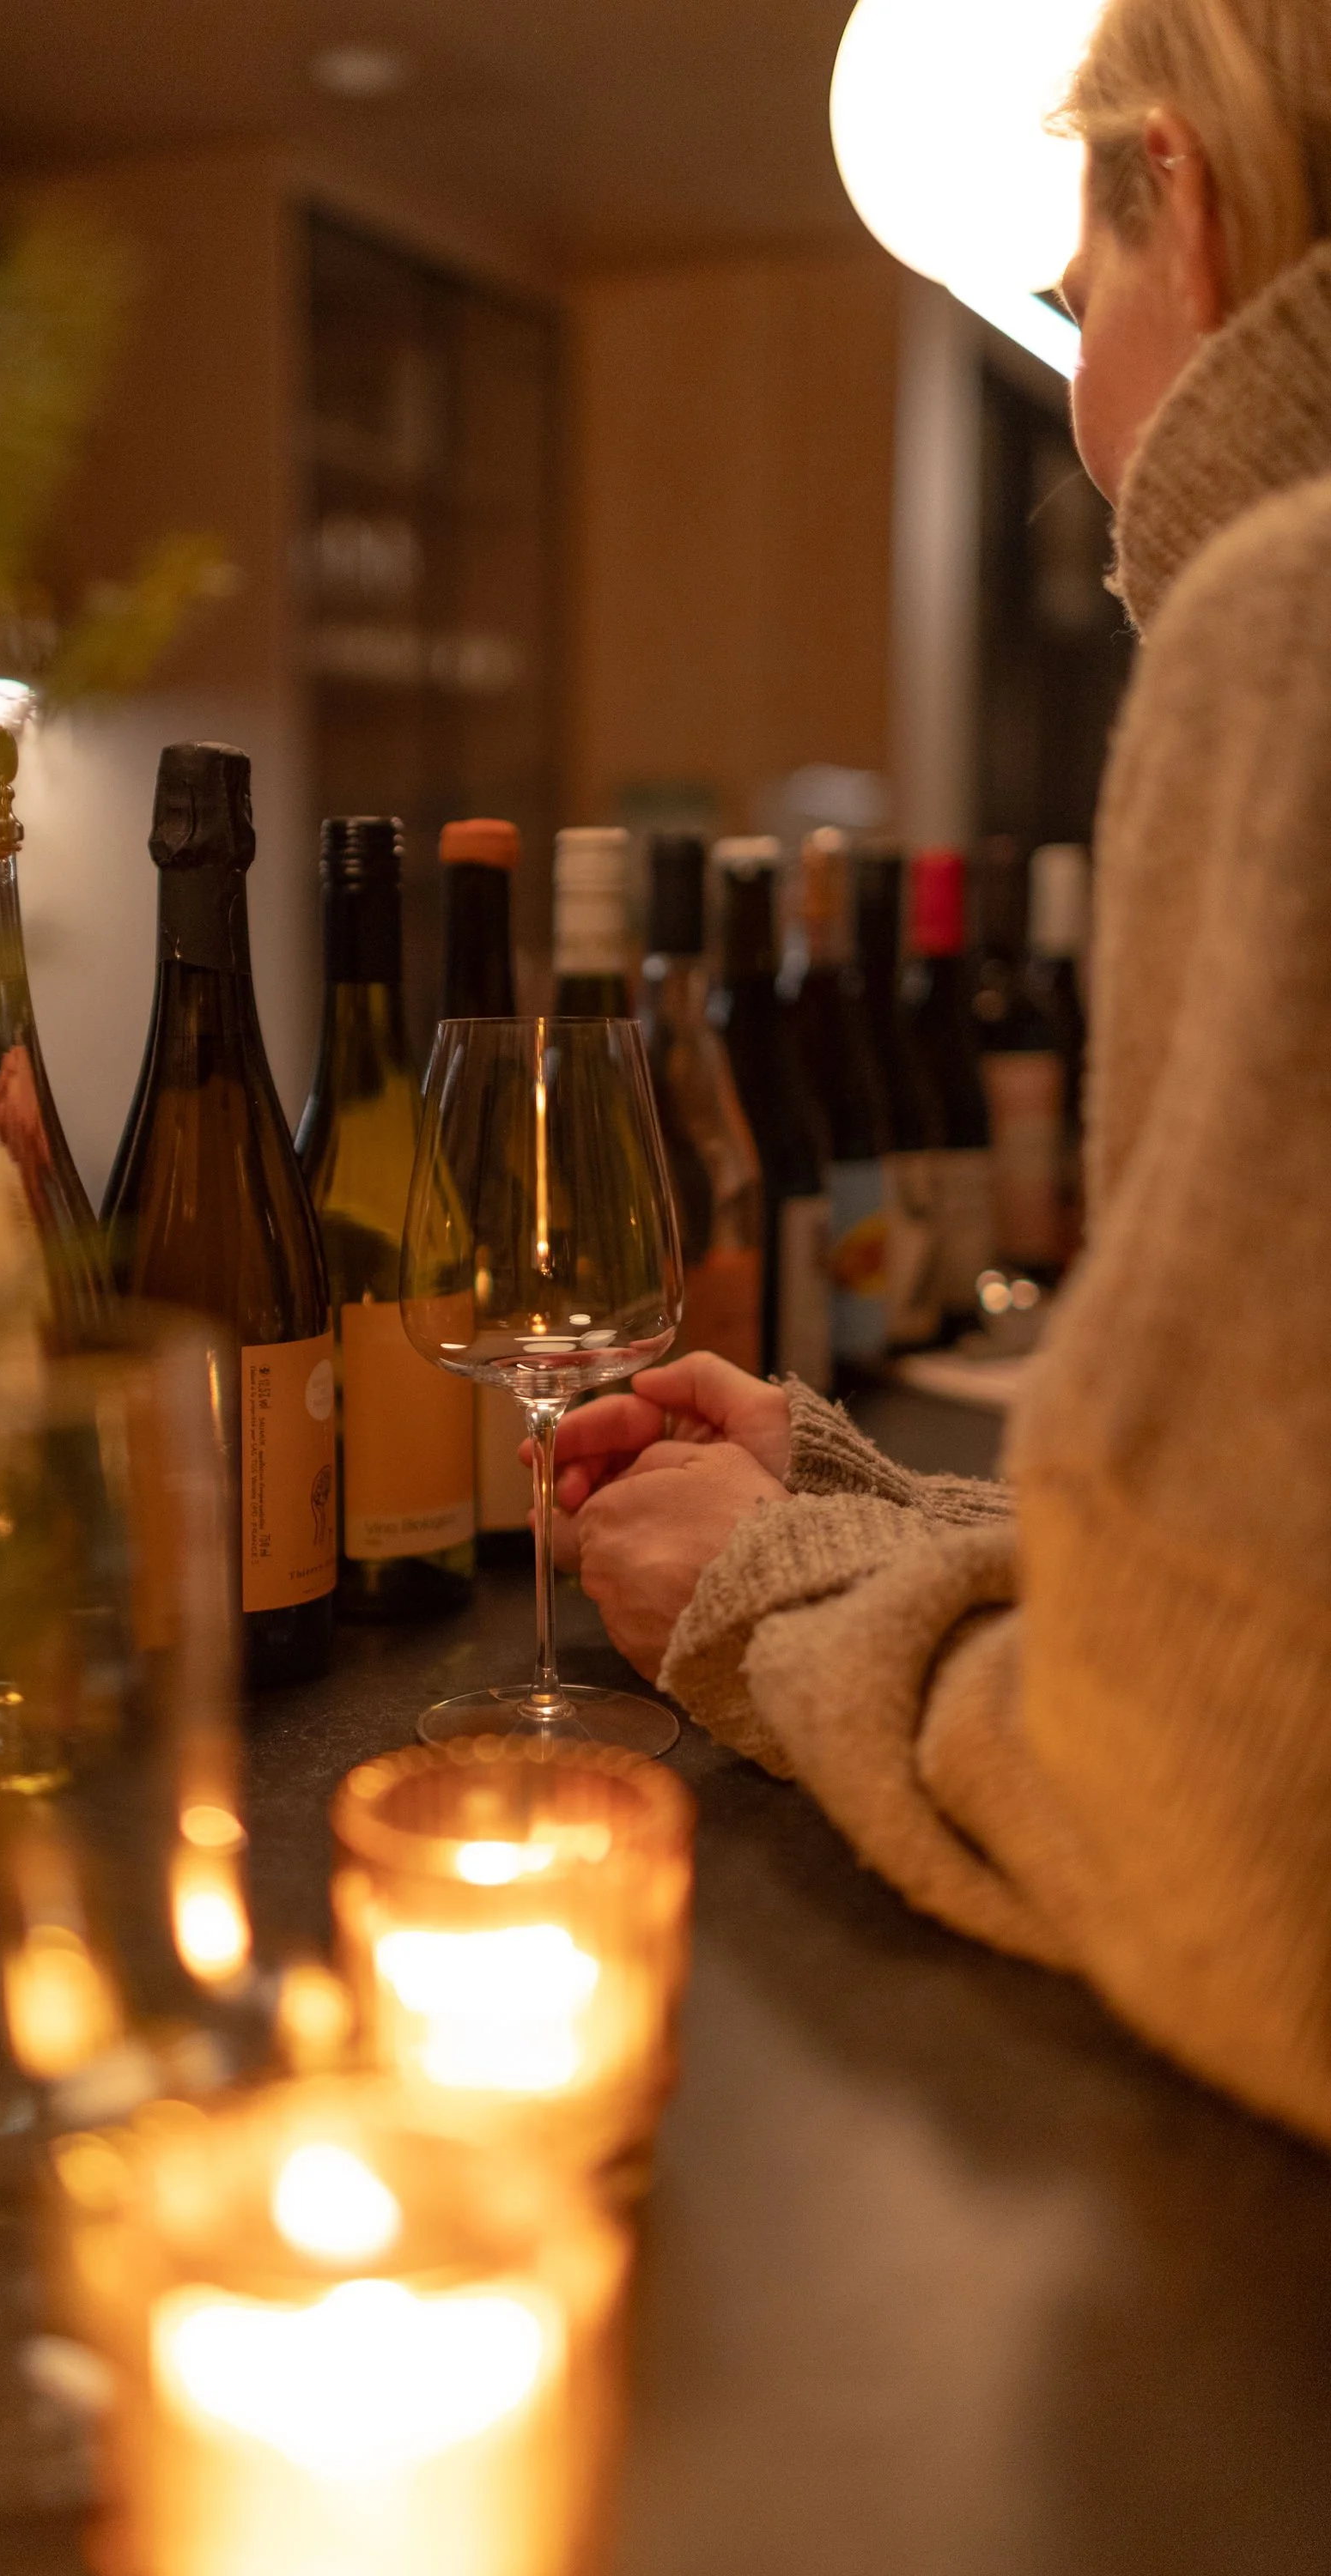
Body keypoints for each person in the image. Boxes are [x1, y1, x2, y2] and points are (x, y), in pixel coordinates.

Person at [547, 0, 1331, 2148]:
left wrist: (756, 1587)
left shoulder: (1290, 616)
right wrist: (862, 1500)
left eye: (1071, 306)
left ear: (1181, 188)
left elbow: (1231, 1851)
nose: (1087, 429)